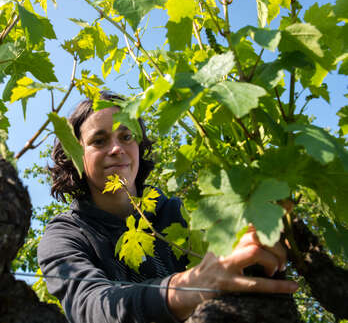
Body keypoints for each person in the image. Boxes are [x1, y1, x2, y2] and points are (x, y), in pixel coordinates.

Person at [37, 92, 298, 323]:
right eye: (99, 141)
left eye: (126, 136)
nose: (117, 149)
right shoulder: (65, 235)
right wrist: (189, 287)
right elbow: (90, 306)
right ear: (75, 156)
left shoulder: (181, 213)